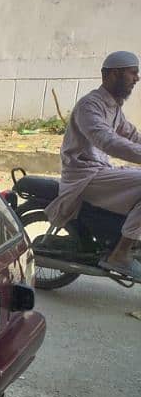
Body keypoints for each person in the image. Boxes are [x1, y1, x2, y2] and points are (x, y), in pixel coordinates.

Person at [45, 50, 141, 279]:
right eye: (133, 73)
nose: (137, 78)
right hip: (83, 176)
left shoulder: (113, 107)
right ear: (115, 74)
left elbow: (132, 135)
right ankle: (119, 254)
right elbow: (106, 140)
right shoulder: (90, 105)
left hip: (99, 171)